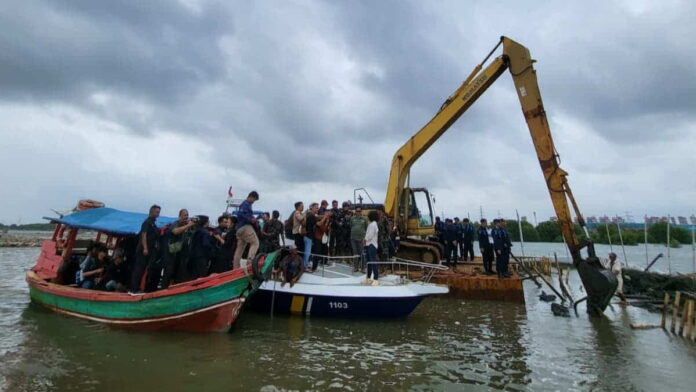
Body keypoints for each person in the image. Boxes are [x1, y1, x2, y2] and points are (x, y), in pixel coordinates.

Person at [130, 204, 161, 292]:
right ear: (152, 211)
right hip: (143, 250)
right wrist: (145, 248)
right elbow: (144, 235)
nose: (158, 213)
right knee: (139, 269)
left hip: (151, 250)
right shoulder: (147, 222)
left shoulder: (153, 223)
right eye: (157, 212)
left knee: (144, 270)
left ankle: (140, 288)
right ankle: (133, 289)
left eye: (159, 212)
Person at [162, 209, 196, 287]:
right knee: (168, 272)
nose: (186, 217)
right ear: (180, 216)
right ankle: (164, 288)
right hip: (171, 252)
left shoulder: (187, 225)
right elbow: (175, 231)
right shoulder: (176, 223)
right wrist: (188, 225)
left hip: (181, 253)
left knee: (178, 271)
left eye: (187, 215)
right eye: (185, 215)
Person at [232, 191, 260, 270]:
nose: (254, 202)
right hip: (245, 227)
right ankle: (249, 263)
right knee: (255, 243)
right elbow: (241, 214)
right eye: (254, 200)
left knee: (240, 248)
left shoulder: (244, 204)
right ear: (251, 197)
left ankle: (235, 267)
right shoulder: (246, 204)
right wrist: (251, 219)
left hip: (239, 229)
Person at [350, 206, 368, 272]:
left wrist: (365, 238)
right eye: (357, 211)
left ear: (361, 211)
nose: (358, 212)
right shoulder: (352, 218)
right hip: (353, 239)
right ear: (355, 211)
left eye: (359, 211)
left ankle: (363, 268)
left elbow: (367, 228)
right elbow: (351, 226)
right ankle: (355, 267)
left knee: (362, 253)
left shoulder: (365, 219)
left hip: (361, 239)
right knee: (355, 253)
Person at [364, 210, 380, 285]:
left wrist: (365, 239)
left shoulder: (373, 224)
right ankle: (368, 278)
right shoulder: (372, 224)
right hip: (369, 244)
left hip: (371, 245)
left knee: (373, 262)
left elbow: (370, 235)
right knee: (369, 263)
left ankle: (376, 279)